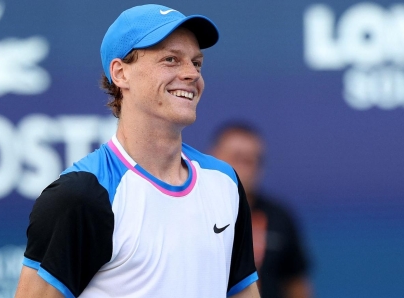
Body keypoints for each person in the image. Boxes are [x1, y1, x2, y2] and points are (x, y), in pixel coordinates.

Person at [14, 4, 261, 298]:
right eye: (171, 60)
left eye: (197, 63)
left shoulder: (224, 182)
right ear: (120, 73)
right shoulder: (81, 196)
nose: (191, 74)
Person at [210, 122, 313, 298]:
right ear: (212, 157)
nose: (245, 168)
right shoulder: (193, 209)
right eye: (237, 157)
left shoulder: (279, 217)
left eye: (252, 160)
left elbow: (296, 283)